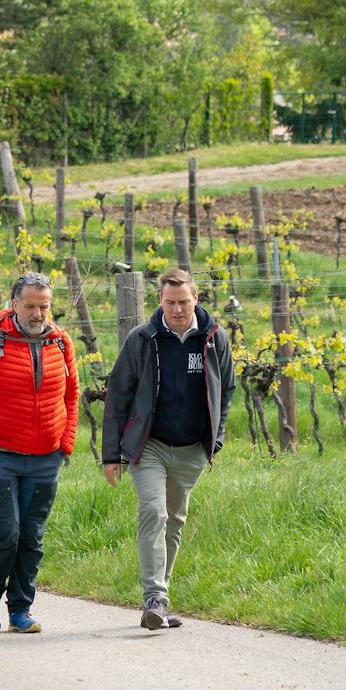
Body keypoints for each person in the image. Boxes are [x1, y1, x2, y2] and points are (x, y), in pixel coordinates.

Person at [101, 268, 235, 631]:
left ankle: (162, 597)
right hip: (150, 447)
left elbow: (226, 390)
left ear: (196, 299)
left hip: (192, 449)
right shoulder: (142, 339)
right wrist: (111, 454)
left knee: (174, 522)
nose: (177, 310)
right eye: (169, 303)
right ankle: (154, 599)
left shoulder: (214, 338)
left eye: (183, 302)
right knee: (153, 512)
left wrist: (216, 437)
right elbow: (118, 396)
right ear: (159, 302)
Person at [0, 273, 79, 634]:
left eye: (44, 306)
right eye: (31, 306)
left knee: (32, 536)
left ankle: (21, 608)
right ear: (14, 305)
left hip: (46, 458)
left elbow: (71, 396)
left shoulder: (61, 343)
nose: (38, 313)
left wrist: (65, 443)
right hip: (0, 455)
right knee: (5, 533)